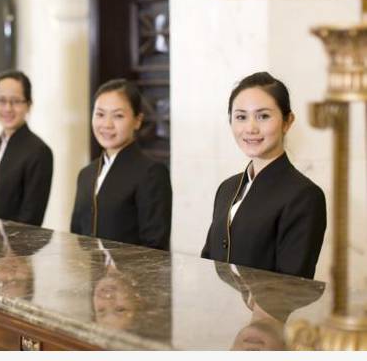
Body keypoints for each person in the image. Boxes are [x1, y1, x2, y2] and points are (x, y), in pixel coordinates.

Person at [201, 72, 327, 279]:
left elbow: (292, 283)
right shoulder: (227, 188)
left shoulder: (304, 196)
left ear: (287, 121)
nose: (251, 128)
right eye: (241, 117)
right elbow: (208, 262)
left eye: (263, 116)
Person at [70, 79, 172, 250]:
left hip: (131, 268)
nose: (107, 124)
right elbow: (77, 235)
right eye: (100, 114)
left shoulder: (151, 173)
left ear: (137, 120)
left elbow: (155, 245)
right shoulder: (86, 173)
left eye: (118, 116)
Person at [0, 70, 53, 226]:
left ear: (29, 105)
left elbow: (31, 218)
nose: (8, 108)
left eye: (16, 101)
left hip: (16, 241)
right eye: (1, 100)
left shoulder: (39, 152)